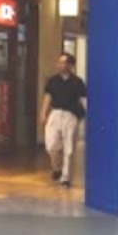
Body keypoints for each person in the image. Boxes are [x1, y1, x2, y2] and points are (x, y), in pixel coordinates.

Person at [40, 52, 86, 188]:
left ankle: (65, 178)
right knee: (51, 145)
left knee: (69, 148)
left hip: (70, 115)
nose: (59, 65)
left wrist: (84, 115)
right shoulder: (53, 81)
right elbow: (48, 97)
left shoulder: (78, 82)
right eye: (59, 62)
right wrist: (43, 113)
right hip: (55, 113)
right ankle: (57, 168)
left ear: (70, 65)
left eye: (63, 62)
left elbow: (83, 99)